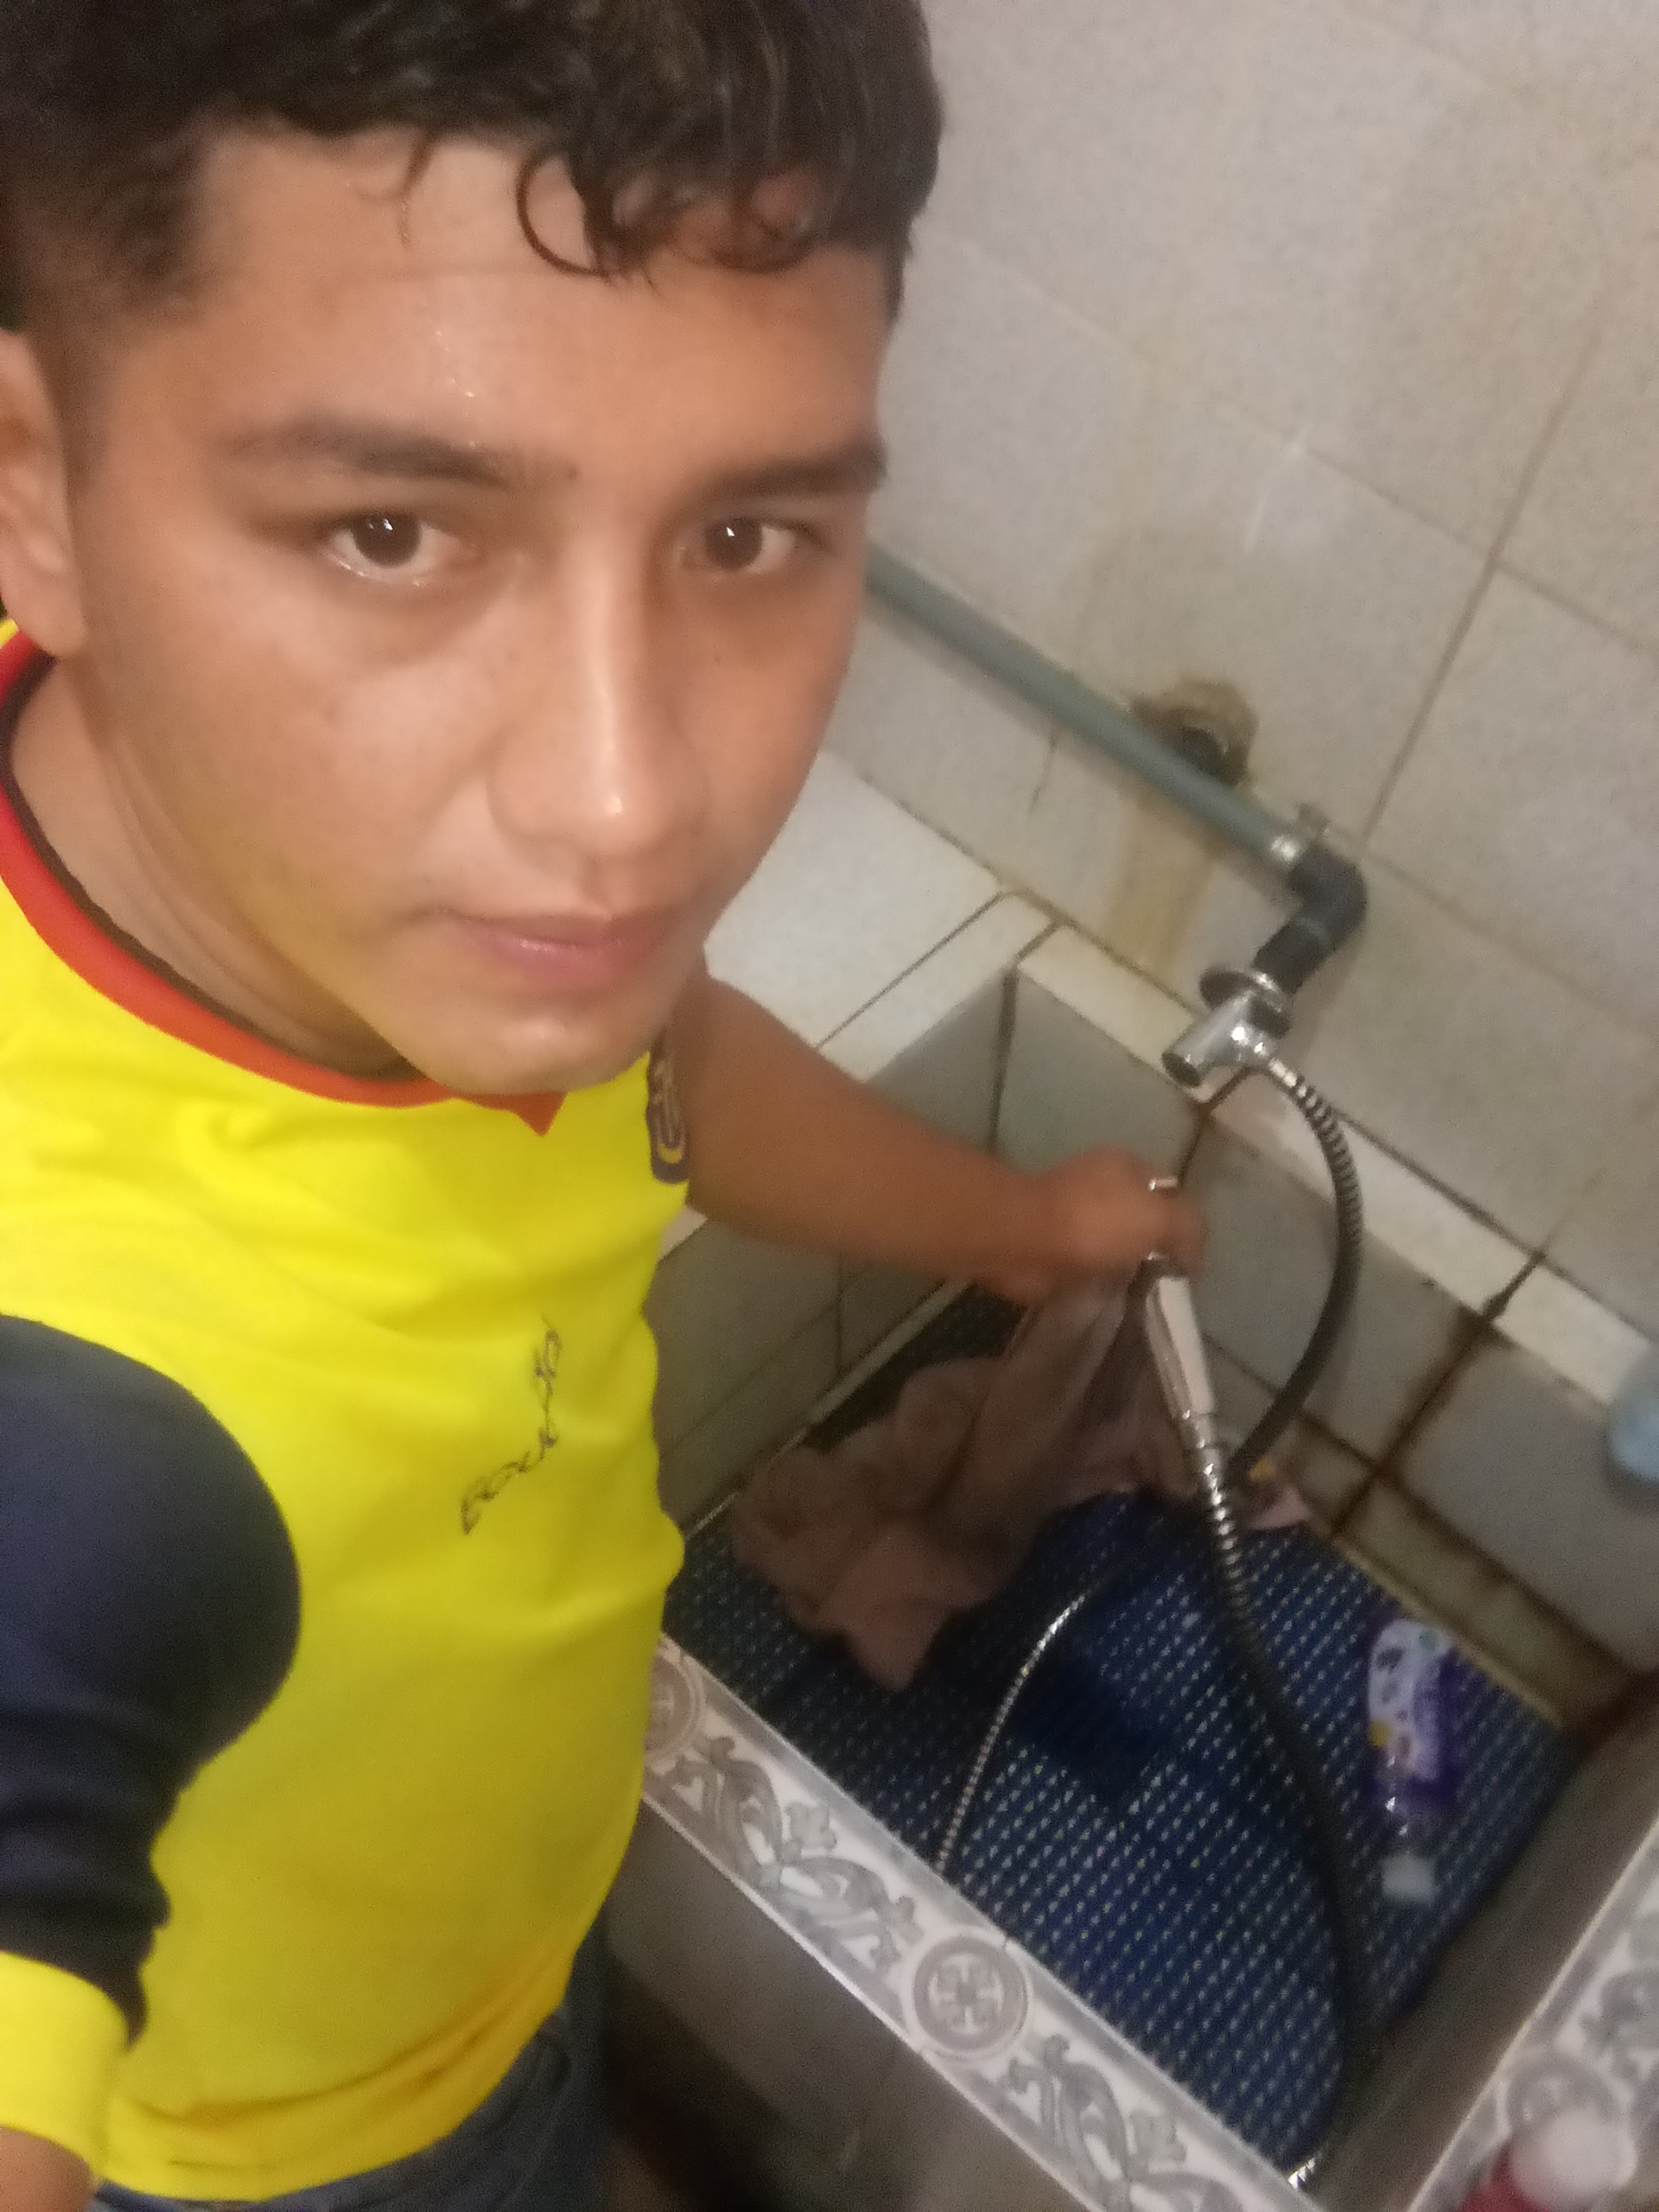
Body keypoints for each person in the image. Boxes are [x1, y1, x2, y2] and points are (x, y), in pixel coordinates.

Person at [0, 4, 1205, 2208]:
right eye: (390, 530)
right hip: (324, 2144)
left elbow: (670, 1068)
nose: (630, 801)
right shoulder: (72, 1425)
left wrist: (1024, 1228)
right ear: (32, 492)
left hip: (507, 1919)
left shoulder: (427, 925)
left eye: (747, 534)